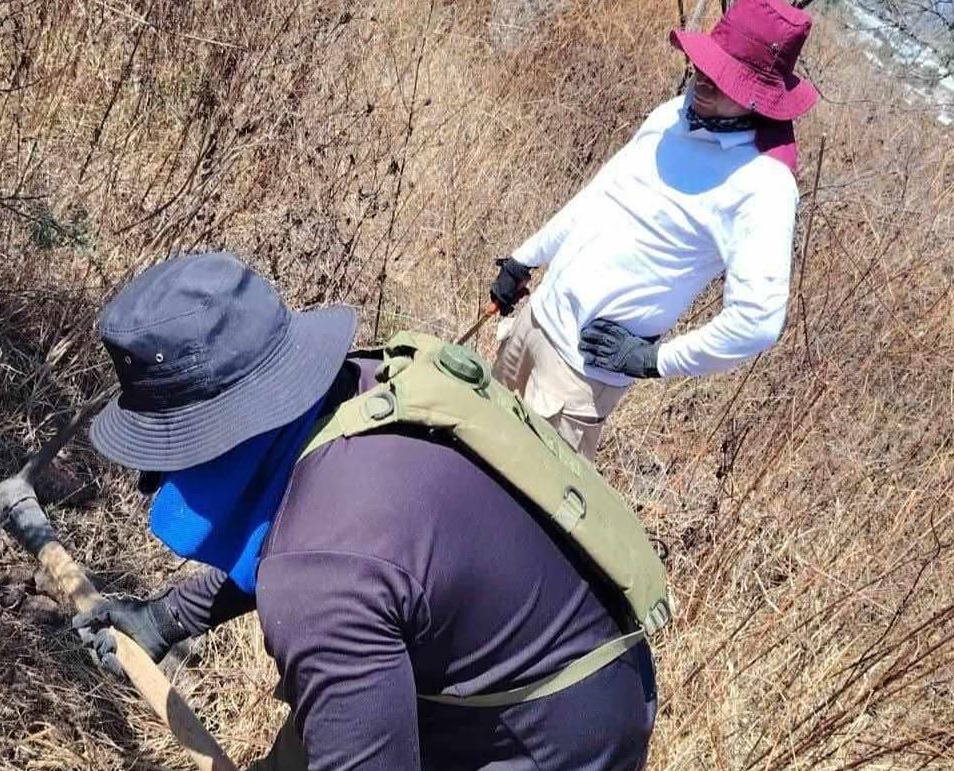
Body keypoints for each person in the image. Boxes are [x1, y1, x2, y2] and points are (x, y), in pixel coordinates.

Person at [64, 252, 657, 771]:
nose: (157, 476)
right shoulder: (359, 386)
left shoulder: (322, 583)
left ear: (217, 436)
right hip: (510, 646)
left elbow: (327, 564)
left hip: (551, 735)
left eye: (169, 446)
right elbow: (303, 540)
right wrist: (167, 618)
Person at [489, 0, 818, 458]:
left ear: (760, 95)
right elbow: (599, 197)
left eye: (724, 75)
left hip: (578, 376)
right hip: (533, 322)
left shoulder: (763, 185)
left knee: (514, 516)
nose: (704, 76)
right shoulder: (672, 117)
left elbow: (758, 320)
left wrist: (654, 361)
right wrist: (526, 258)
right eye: (707, 63)